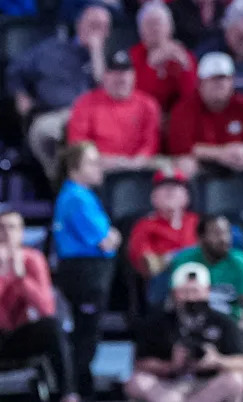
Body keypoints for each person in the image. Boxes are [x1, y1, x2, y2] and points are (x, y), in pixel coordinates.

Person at [170, 216, 243, 402]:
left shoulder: (239, 261)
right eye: (216, 233)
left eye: (226, 233)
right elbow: (176, 302)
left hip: (236, 325)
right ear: (201, 238)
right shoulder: (185, 260)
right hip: (196, 326)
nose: (224, 239)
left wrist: (234, 331)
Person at [6, 3, 111, 181]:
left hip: (95, 118)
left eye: (101, 27)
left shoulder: (112, 60)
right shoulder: (51, 50)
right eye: (91, 24)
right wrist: (20, 95)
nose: (95, 31)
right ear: (79, 25)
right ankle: (62, 182)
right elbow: (15, 70)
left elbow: (107, 91)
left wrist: (96, 54)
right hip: (53, 115)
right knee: (46, 133)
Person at [52, 142, 121, 400]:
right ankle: (76, 389)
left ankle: (77, 386)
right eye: (92, 162)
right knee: (84, 334)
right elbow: (107, 240)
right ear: (74, 169)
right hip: (85, 274)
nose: (99, 167)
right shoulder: (77, 197)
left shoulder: (81, 195)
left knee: (86, 333)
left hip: (88, 272)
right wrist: (114, 237)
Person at [125, 262, 243, 402]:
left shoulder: (224, 322)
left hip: (207, 385)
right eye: (185, 292)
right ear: (174, 293)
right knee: (138, 381)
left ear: (207, 291)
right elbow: (140, 363)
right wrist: (170, 365)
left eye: (195, 291)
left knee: (236, 380)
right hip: (168, 388)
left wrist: (216, 360)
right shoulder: (157, 322)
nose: (191, 298)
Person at [167, 52, 243, 192]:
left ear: (232, 82)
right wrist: (220, 153)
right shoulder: (185, 108)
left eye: (224, 79)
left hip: (238, 158)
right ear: (200, 83)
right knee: (184, 165)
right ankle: (191, 211)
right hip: (203, 161)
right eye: (213, 80)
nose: (220, 84)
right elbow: (180, 147)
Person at [0, 209, 77, 402]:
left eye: (12, 228)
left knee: (52, 327)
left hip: (17, 336)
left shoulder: (32, 259)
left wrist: (21, 278)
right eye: (1, 228)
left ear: (21, 232)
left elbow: (46, 308)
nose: (7, 233)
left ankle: (68, 394)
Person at [67, 50, 162, 172]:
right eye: (115, 72)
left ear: (134, 76)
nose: (121, 78)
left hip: (140, 167)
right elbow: (78, 144)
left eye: (126, 72)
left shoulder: (148, 104)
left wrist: (136, 162)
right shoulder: (85, 103)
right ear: (105, 76)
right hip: (99, 167)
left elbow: (150, 143)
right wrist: (103, 160)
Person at [127, 170, 200, 300]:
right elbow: (148, 265)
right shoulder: (144, 225)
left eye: (176, 186)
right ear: (153, 197)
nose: (170, 191)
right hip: (165, 285)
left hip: (200, 281)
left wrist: (170, 257)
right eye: (164, 186)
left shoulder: (198, 222)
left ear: (187, 196)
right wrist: (187, 255)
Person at [130, 1, 197, 114]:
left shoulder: (181, 53)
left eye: (159, 23)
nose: (155, 28)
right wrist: (151, 66)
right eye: (149, 24)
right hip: (143, 115)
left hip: (176, 116)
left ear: (170, 27)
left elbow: (191, 96)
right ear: (140, 30)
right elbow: (134, 97)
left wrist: (185, 68)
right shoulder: (133, 56)